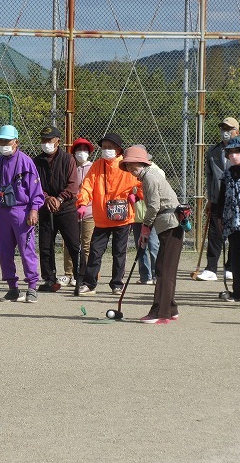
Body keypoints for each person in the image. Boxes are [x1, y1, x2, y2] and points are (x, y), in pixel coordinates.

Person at [0, 124, 44, 303]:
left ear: (16, 142)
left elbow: (36, 190)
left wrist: (34, 209)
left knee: (26, 250)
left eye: (7, 140)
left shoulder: (26, 162)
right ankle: (12, 288)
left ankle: (32, 286)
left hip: (22, 211)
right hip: (2, 212)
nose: (3, 144)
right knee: (4, 251)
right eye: (0, 141)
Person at [120, 146, 182, 324]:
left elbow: (154, 206)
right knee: (164, 268)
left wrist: (146, 227)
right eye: (128, 166)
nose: (131, 169)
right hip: (167, 225)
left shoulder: (150, 177)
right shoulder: (147, 176)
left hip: (170, 224)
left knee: (164, 271)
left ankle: (160, 313)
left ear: (142, 162)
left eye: (133, 165)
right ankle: (171, 309)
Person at [76, 132, 141, 296]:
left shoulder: (127, 165)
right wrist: (82, 203)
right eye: (104, 147)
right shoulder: (97, 165)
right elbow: (87, 186)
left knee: (119, 253)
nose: (106, 150)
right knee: (95, 251)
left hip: (123, 218)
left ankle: (117, 284)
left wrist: (137, 195)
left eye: (109, 147)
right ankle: (89, 284)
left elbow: (142, 182)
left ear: (118, 149)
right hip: (101, 218)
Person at [33, 126, 80, 293]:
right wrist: (47, 198)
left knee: (74, 244)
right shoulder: (36, 161)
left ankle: (80, 278)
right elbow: (34, 183)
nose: (46, 143)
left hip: (66, 208)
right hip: (46, 208)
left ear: (58, 141)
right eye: (43, 140)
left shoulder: (69, 159)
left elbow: (73, 185)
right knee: (46, 246)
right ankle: (49, 279)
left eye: (49, 140)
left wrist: (60, 198)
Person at [199, 117, 239, 281]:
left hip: (236, 200)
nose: (225, 132)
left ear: (237, 130)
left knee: (234, 234)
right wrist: (210, 197)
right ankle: (211, 268)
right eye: (223, 128)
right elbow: (209, 176)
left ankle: (230, 267)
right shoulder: (213, 151)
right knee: (214, 233)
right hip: (217, 199)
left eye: (228, 128)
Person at [215, 137, 240, 302]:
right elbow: (221, 197)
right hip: (232, 221)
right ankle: (238, 292)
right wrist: (220, 217)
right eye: (231, 152)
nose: (233, 155)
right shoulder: (227, 173)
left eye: (237, 152)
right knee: (236, 258)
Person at [61, 137, 95, 287]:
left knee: (86, 245)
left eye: (85, 150)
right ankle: (69, 274)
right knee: (68, 243)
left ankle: (84, 274)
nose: (82, 152)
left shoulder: (93, 167)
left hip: (89, 211)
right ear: (73, 153)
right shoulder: (70, 167)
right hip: (70, 211)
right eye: (79, 150)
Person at [130, 145, 164, 285]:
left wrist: (138, 195)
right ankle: (145, 276)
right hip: (137, 215)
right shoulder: (132, 173)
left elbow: (156, 196)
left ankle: (157, 275)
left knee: (153, 245)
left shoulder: (156, 172)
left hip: (152, 216)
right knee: (140, 246)